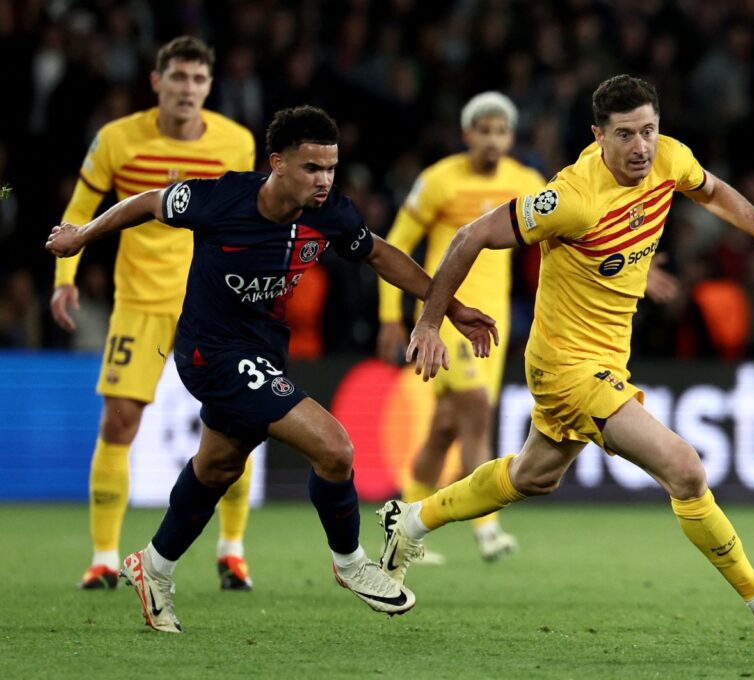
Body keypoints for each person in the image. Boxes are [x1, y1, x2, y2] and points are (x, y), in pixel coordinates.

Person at [378, 75, 754, 633]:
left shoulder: (668, 158)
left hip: (607, 358)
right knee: (685, 469)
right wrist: (428, 321)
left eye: (648, 130)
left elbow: (712, 190)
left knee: (532, 476)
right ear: (598, 135)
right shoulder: (570, 198)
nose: (641, 146)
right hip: (565, 366)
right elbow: (468, 237)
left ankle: (410, 522)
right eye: (625, 135)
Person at [46, 105, 498, 633]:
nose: (324, 180)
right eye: (312, 168)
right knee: (335, 448)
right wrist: (82, 236)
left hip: (262, 349)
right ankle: (352, 563)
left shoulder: (329, 213)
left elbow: (377, 254)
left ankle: (152, 566)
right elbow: (147, 203)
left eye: (330, 168)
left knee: (217, 467)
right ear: (277, 164)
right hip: (209, 352)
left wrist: (451, 308)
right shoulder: (222, 198)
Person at [50, 36, 259, 591]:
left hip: (213, 304)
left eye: (198, 80)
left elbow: (251, 219)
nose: (187, 89)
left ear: (210, 87)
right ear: (156, 81)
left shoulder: (236, 144)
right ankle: (101, 557)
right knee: (119, 423)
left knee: (238, 425)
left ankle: (232, 552)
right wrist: (65, 278)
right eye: (178, 78)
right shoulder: (117, 140)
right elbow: (79, 211)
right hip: (140, 304)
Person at [376, 92, 545, 563]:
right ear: (468, 134)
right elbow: (396, 245)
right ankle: (487, 528)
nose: (492, 140)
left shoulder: (526, 182)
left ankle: (401, 525)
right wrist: (390, 314)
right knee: (476, 412)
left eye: (501, 131)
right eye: (483, 131)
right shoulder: (438, 181)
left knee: (445, 428)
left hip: (492, 321)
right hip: (448, 316)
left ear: (511, 137)